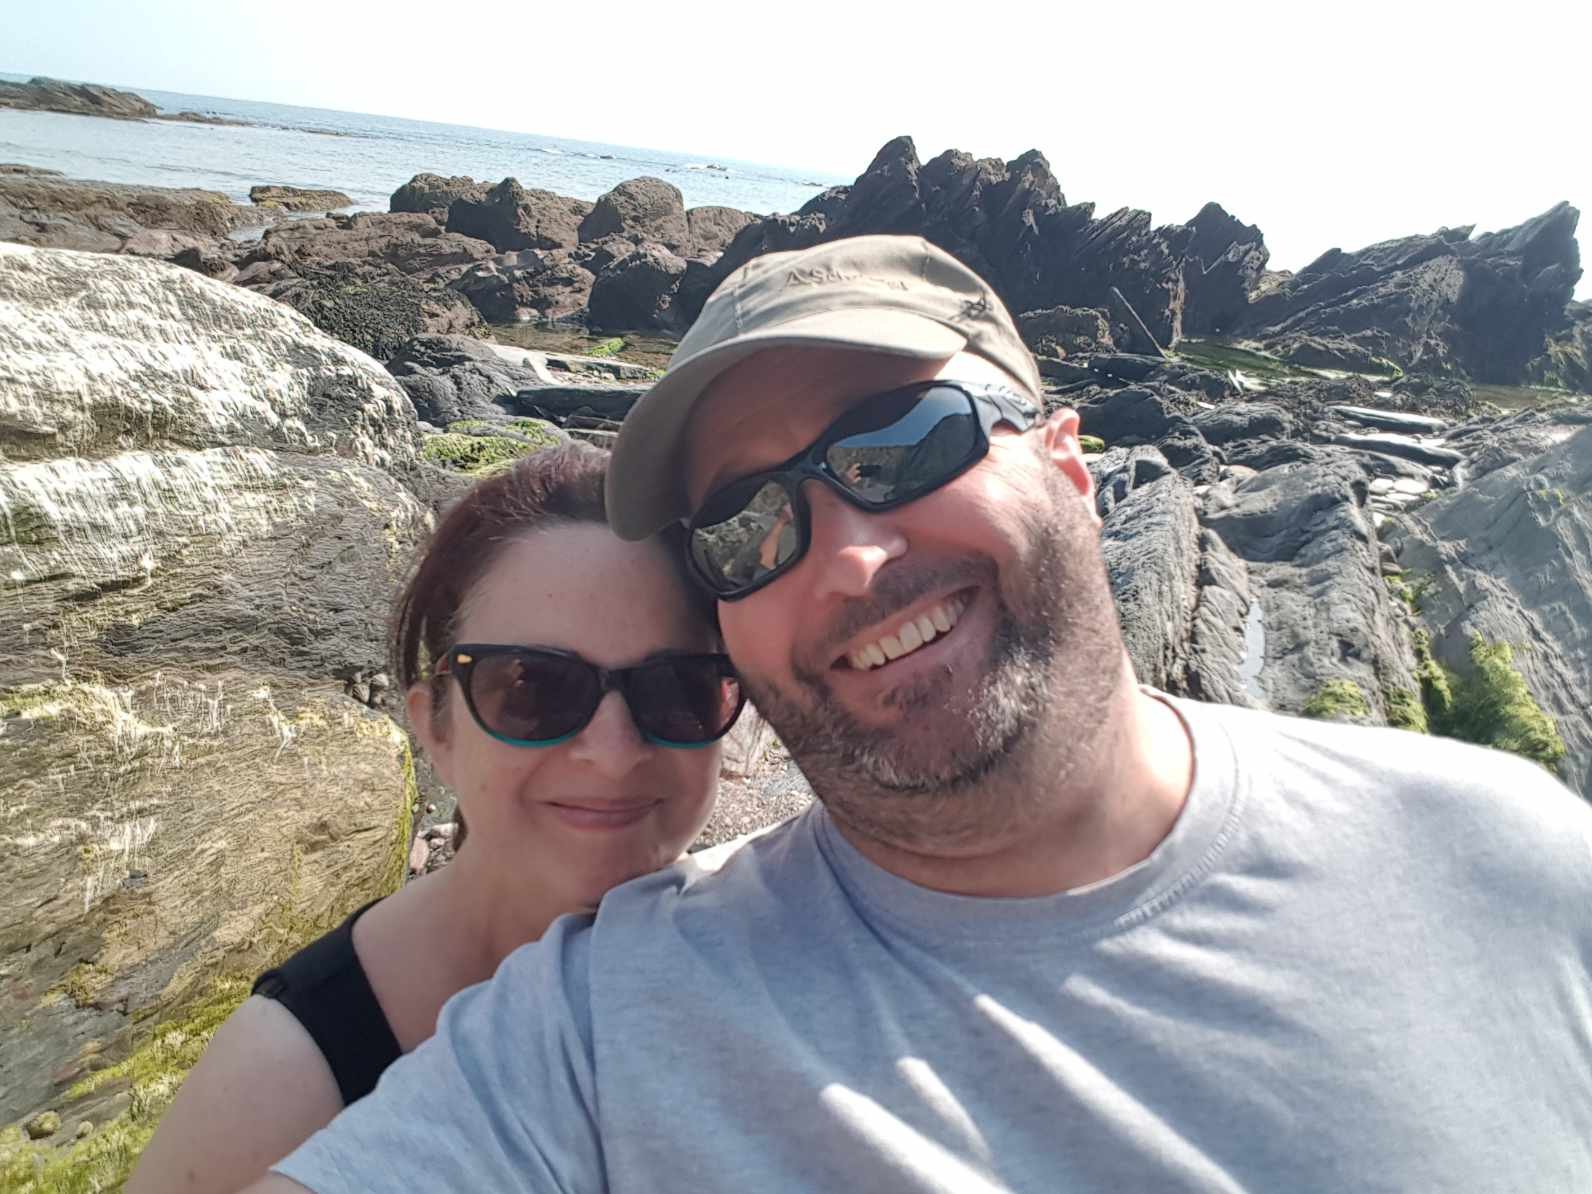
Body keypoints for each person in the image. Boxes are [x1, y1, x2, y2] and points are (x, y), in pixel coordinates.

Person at [246, 236, 1592, 1193]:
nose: (845, 560)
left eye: (903, 444)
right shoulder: (609, 1021)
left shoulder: (1507, 855)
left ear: (1067, 461)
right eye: (745, 526)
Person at [129, 443, 744, 1194]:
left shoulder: (762, 950)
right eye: (533, 688)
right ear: (436, 729)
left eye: (677, 689)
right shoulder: (279, 1083)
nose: (613, 754)